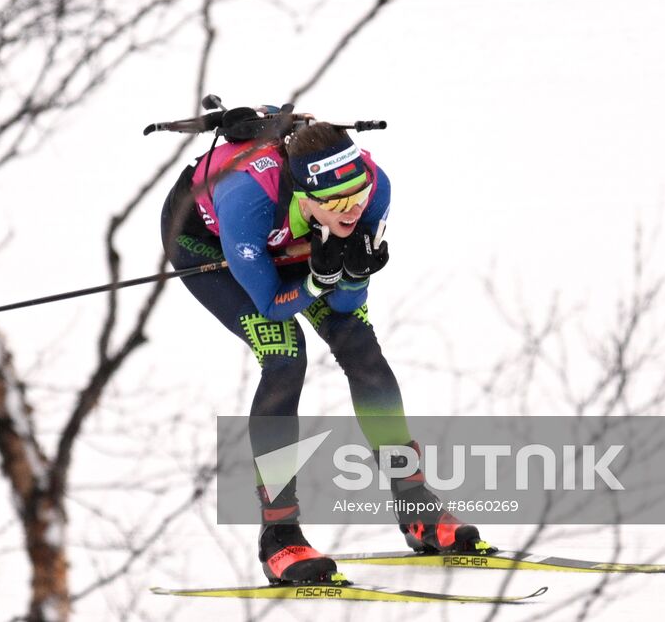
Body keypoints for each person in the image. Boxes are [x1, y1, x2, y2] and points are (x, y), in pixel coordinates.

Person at [160, 116, 484, 584]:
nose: (351, 210)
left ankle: (415, 501)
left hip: (293, 240)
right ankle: (280, 534)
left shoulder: (374, 186)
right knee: (286, 358)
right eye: (334, 201)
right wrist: (317, 279)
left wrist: (350, 273)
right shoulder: (246, 198)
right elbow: (272, 305)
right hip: (211, 244)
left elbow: (351, 303)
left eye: (356, 196)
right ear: (305, 194)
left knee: (361, 348)